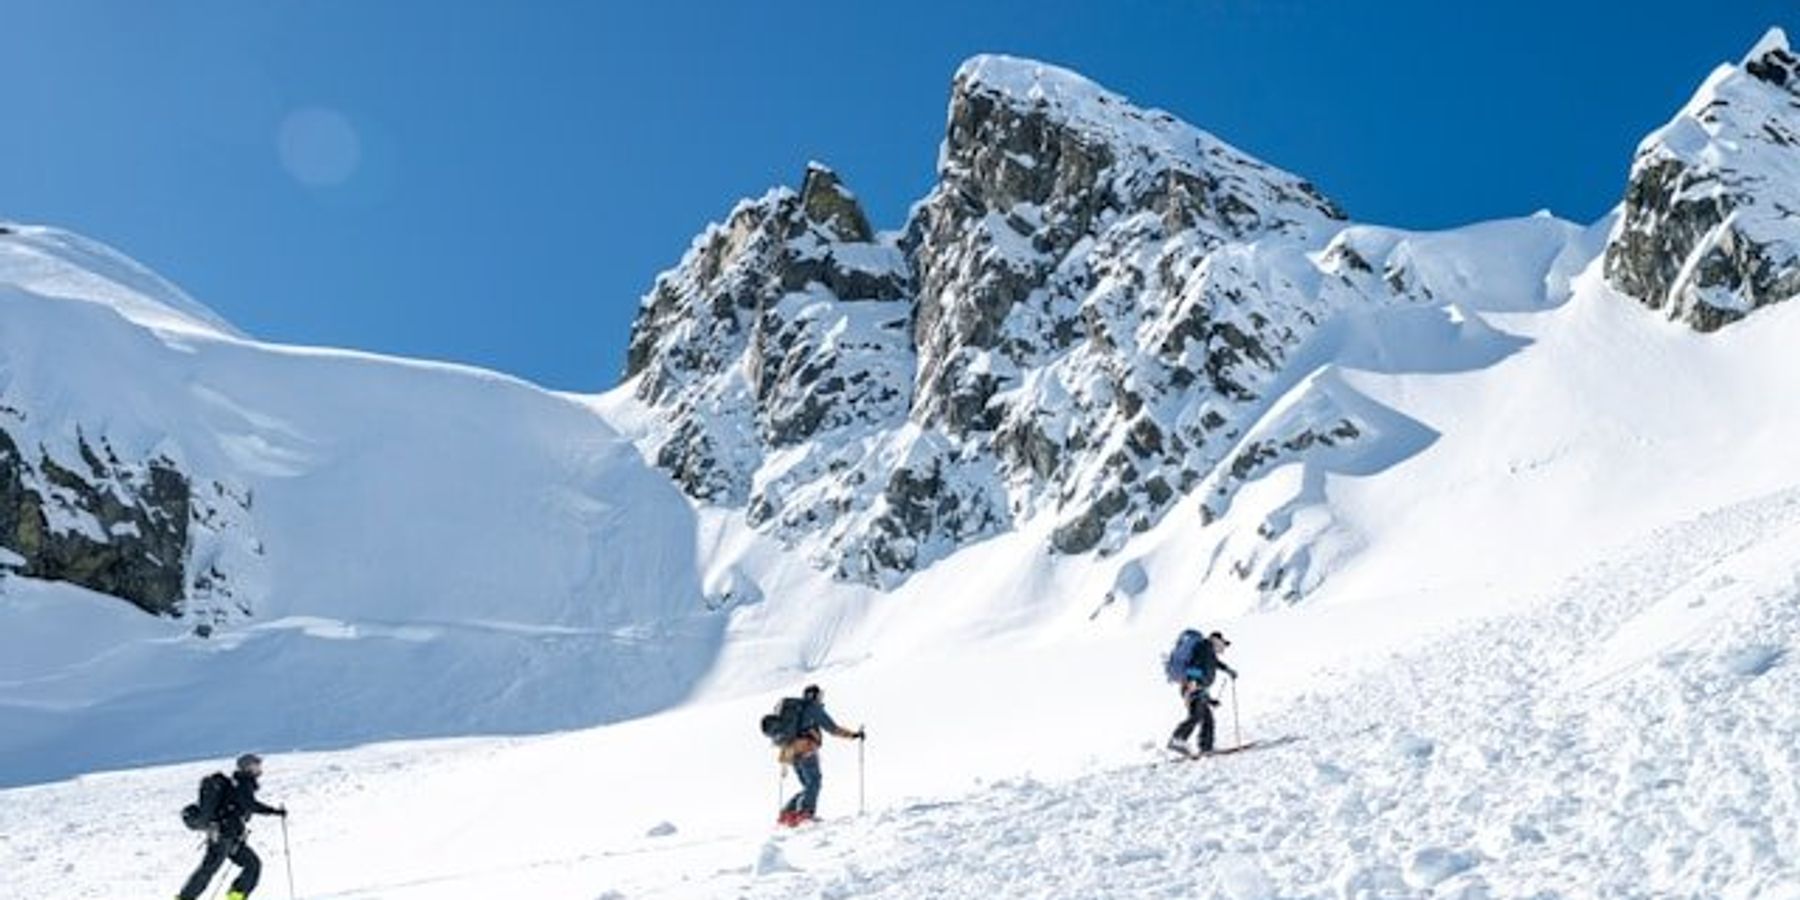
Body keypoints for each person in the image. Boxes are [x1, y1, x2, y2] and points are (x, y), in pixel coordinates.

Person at [175, 753, 287, 900]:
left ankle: (235, 897)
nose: (259, 768)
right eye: (256, 765)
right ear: (247, 767)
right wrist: (274, 811)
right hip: (223, 835)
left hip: (231, 836)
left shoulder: (241, 783)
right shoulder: (242, 783)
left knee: (251, 865)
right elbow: (250, 804)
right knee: (209, 869)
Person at [776, 684, 864, 826]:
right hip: (806, 749)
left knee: (809, 786)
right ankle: (806, 813)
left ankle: (788, 813)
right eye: (819, 696)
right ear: (815, 696)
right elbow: (832, 728)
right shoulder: (813, 708)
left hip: (791, 753)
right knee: (814, 782)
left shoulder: (796, 710)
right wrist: (852, 735)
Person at [1168, 631, 1237, 757]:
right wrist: (1192, 681)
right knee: (1197, 715)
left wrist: (1228, 671)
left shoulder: (1209, 653)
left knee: (1207, 719)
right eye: (1223, 644)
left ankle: (1205, 747)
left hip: (1199, 689)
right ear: (1216, 640)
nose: (1223, 648)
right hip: (1193, 686)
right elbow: (1195, 663)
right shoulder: (1204, 647)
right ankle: (1178, 739)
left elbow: (1216, 664)